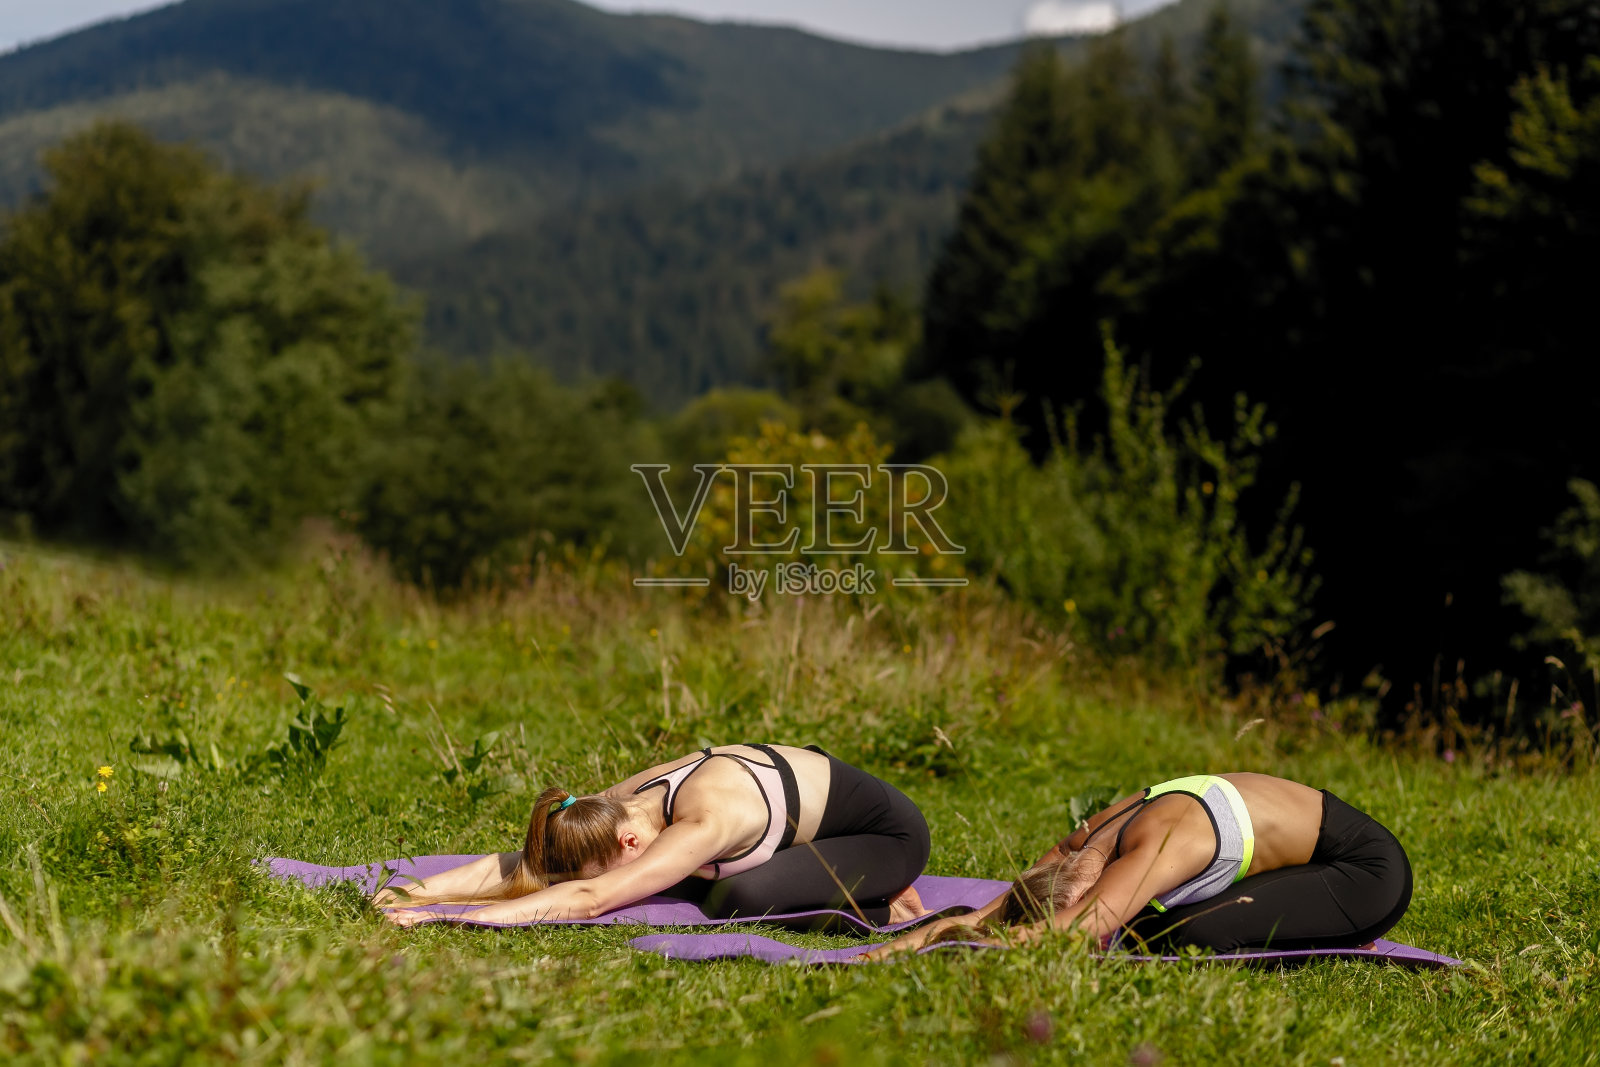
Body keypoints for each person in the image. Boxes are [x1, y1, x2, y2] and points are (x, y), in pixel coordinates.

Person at [864, 772, 1411, 959]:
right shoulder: (1092, 838)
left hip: (1364, 870)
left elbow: (1071, 933)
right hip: (1307, 837)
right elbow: (1012, 897)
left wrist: (969, 946)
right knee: (1149, 919)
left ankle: (1345, 924)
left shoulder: (1163, 844)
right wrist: (914, 939)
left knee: (1178, 935)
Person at [377, 743, 930, 928]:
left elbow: (591, 898)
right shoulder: (615, 807)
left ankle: (883, 901)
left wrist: (451, 919)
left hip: (885, 836)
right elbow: (531, 864)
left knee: (736, 898)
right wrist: (415, 891)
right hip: (806, 812)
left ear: (629, 845)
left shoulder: (703, 818)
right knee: (689, 882)